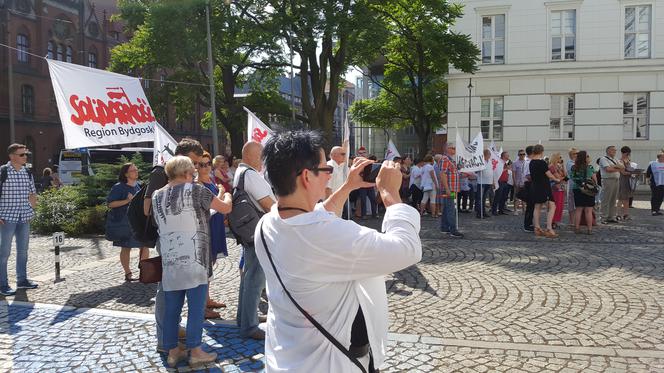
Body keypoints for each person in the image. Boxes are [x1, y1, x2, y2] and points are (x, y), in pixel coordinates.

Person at [257, 130, 422, 372]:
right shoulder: (330, 236)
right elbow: (407, 249)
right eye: (326, 170)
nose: (329, 176)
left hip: (287, 357)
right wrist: (390, 194)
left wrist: (348, 187)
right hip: (332, 364)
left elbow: (314, 219)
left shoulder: (268, 223)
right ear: (306, 176)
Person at [152, 156, 232, 368]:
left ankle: (172, 350)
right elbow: (224, 208)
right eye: (193, 172)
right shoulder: (196, 190)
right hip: (195, 256)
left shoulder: (156, 195)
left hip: (170, 259)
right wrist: (227, 195)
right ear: (187, 173)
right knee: (196, 307)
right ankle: (195, 350)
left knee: (172, 308)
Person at [143, 138, 205, 354]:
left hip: (183, 239)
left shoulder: (186, 180)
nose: (196, 168)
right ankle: (164, 341)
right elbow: (147, 208)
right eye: (194, 162)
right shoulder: (161, 173)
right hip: (168, 239)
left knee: (175, 289)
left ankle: (171, 339)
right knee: (166, 290)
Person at [234, 141, 276, 340]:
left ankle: (243, 318)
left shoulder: (240, 173)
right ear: (252, 156)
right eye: (262, 156)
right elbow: (269, 204)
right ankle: (249, 326)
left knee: (249, 277)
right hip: (258, 231)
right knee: (255, 279)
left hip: (248, 231)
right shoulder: (250, 174)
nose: (263, 160)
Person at [0, 144, 38, 296]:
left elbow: (32, 193)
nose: (25, 157)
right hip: (6, 218)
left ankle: (22, 281)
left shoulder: (27, 172)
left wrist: (32, 210)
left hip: (24, 217)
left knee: (23, 251)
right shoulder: (3, 172)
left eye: (26, 154)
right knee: (4, 253)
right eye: (22, 154)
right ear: (12, 156)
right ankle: (2, 284)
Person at [197, 152, 230, 319]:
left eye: (208, 163)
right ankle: (202, 305)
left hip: (216, 224)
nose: (205, 167)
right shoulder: (198, 184)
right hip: (207, 225)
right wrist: (222, 192)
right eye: (201, 164)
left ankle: (207, 299)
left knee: (212, 262)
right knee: (206, 265)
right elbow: (212, 203)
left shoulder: (210, 180)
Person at [106, 163, 149, 282]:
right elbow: (110, 204)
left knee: (145, 245)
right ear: (126, 174)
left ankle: (144, 271)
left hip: (137, 222)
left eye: (136, 170)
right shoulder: (118, 187)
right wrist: (127, 200)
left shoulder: (138, 186)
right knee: (126, 247)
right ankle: (128, 273)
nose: (136, 172)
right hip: (123, 223)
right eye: (133, 170)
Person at [529, 145, 561, 238]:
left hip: (535, 187)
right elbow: (549, 175)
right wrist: (557, 180)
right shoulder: (541, 162)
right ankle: (549, 228)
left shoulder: (531, 162)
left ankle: (537, 228)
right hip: (544, 187)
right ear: (541, 151)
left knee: (537, 206)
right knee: (552, 206)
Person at [439, 145, 463, 238]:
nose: (455, 149)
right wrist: (447, 189)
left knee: (447, 208)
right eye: (452, 148)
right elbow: (442, 174)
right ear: (447, 149)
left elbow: (453, 174)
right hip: (449, 189)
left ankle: (444, 227)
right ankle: (453, 230)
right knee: (451, 208)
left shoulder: (451, 160)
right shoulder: (445, 159)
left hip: (452, 189)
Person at [571, 151, 597, 234]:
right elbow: (594, 179)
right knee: (588, 210)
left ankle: (577, 228)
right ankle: (589, 229)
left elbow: (572, 178)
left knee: (578, 209)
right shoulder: (589, 167)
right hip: (588, 189)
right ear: (585, 158)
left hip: (577, 189)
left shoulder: (574, 167)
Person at [598, 146, 623, 224]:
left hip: (616, 180)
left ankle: (611, 216)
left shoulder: (615, 159)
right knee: (606, 199)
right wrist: (617, 168)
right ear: (608, 151)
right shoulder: (603, 159)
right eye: (613, 150)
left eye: (615, 150)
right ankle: (603, 217)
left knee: (613, 199)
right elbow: (608, 169)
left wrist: (614, 167)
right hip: (607, 180)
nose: (614, 151)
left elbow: (623, 167)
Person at [548, 153, 566, 229]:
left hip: (561, 188)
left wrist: (563, 166)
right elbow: (558, 178)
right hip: (555, 188)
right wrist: (564, 178)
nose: (561, 159)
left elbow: (565, 175)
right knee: (555, 205)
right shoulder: (551, 167)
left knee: (560, 205)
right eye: (559, 157)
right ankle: (552, 221)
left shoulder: (558, 166)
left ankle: (556, 221)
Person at [617, 146, 635, 221]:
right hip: (622, 181)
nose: (627, 155)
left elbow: (629, 169)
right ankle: (618, 214)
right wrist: (632, 173)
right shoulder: (620, 161)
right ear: (622, 153)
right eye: (626, 154)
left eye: (628, 154)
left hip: (628, 181)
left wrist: (633, 172)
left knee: (627, 199)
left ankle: (626, 214)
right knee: (621, 198)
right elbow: (623, 172)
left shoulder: (628, 160)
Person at [475, 149, 493, 219]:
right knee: (480, 198)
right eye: (489, 154)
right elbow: (476, 171)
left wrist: (492, 182)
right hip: (482, 182)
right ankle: (479, 213)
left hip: (488, 182)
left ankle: (483, 212)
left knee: (484, 198)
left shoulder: (490, 162)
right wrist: (479, 168)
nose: (490, 155)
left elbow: (491, 171)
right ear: (485, 154)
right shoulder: (481, 161)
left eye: (490, 154)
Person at [522, 146, 535, 231]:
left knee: (532, 206)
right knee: (530, 206)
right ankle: (527, 225)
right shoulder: (528, 162)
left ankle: (530, 223)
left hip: (531, 184)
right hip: (529, 184)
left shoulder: (530, 161)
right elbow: (528, 175)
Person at [565, 148, 578, 227]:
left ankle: (577, 220)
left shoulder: (578, 162)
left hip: (579, 186)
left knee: (578, 204)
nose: (577, 155)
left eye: (577, 153)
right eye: (575, 153)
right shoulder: (570, 163)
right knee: (571, 204)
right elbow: (575, 171)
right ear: (571, 155)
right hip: (572, 185)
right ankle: (571, 221)